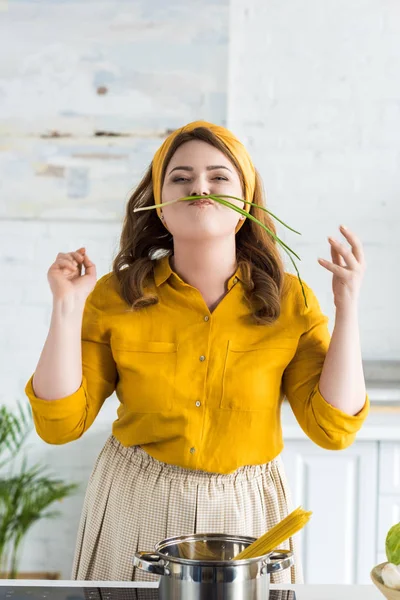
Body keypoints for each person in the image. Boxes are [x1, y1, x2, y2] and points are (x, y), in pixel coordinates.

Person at [25, 120, 369, 584]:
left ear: (245, 203)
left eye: (219, 177)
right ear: (162, 209)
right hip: (133, 500)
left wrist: (347, 308)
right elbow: (60, 423)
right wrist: (66, 306)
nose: (199, 188)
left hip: (246, 512)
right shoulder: (114, 294)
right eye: (180, 178)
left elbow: (333, 429)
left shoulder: (293, 300)